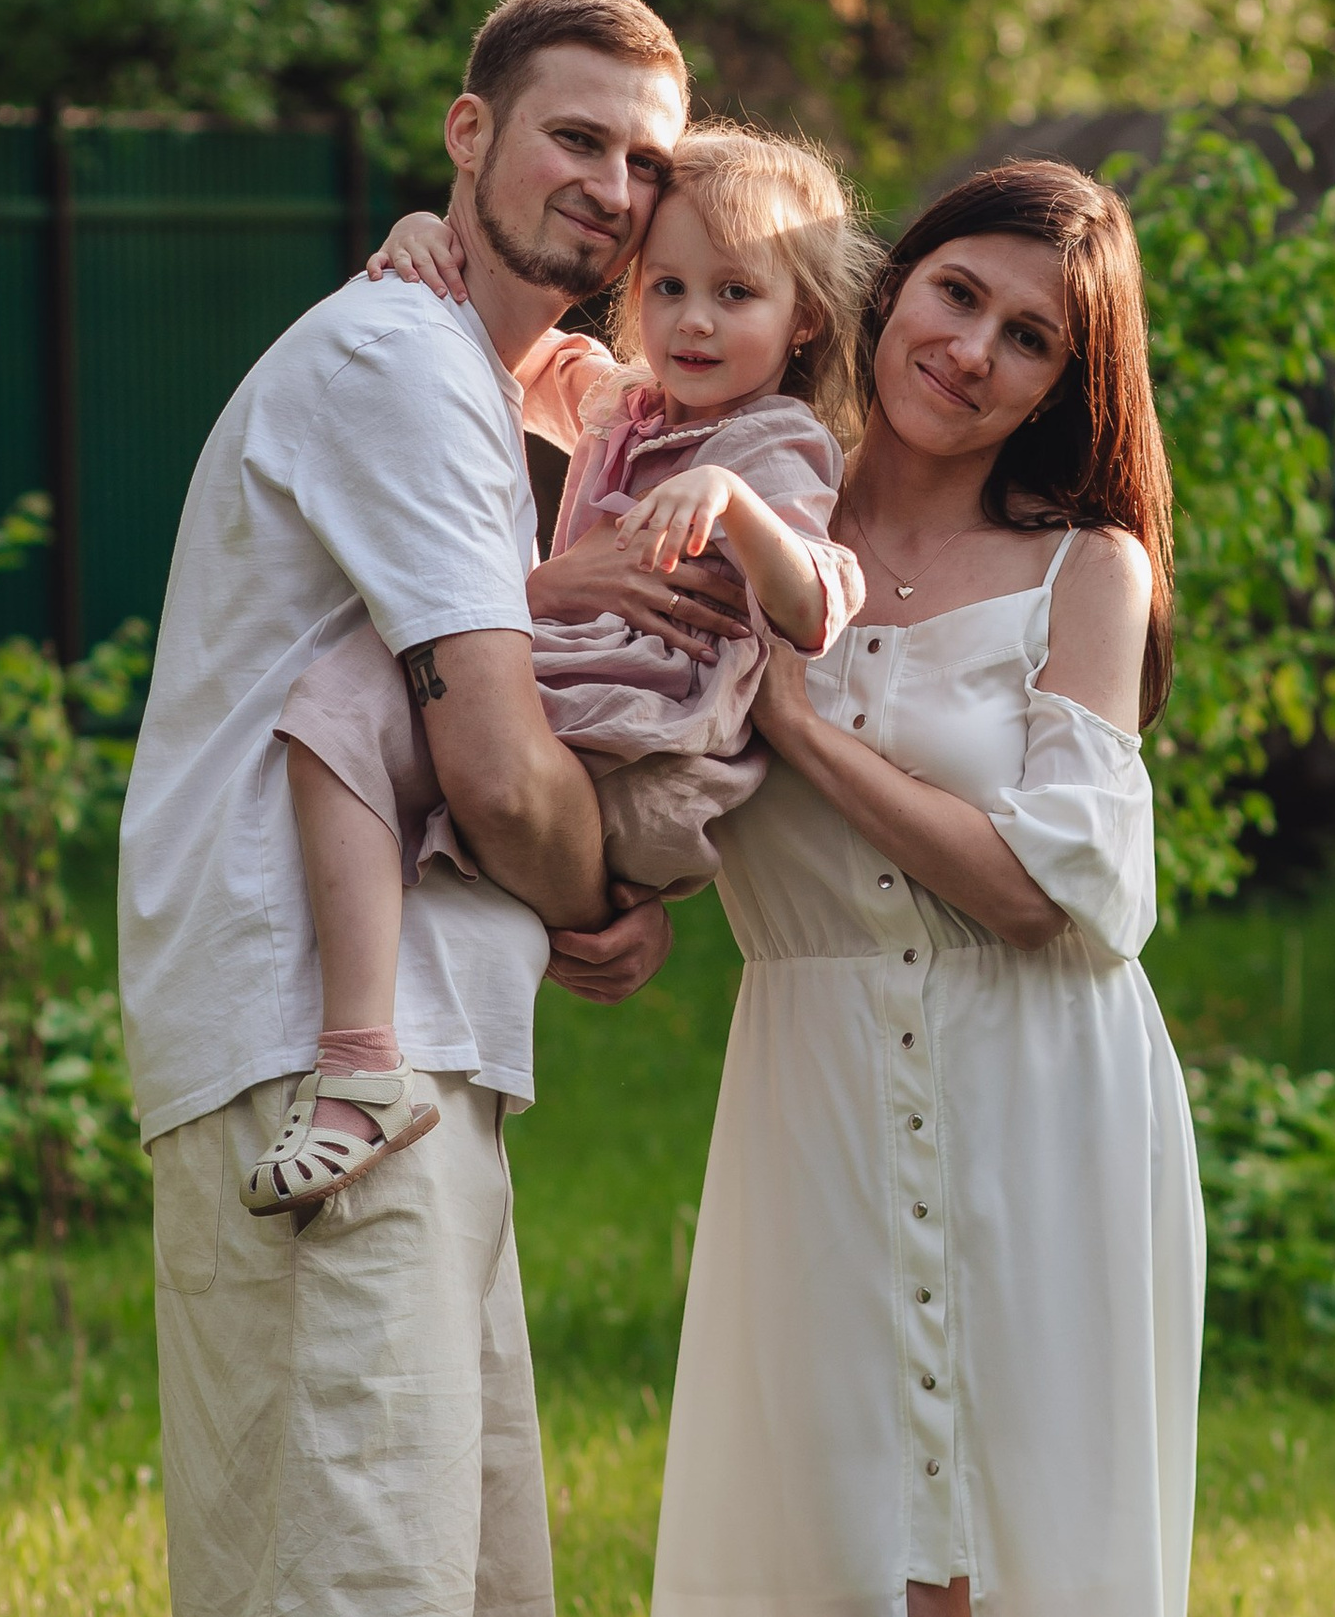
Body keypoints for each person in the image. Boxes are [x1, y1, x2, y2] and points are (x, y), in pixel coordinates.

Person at [117, 0, 710, 1617]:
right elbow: (484, 740)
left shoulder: (481, 375)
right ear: (471, 134)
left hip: (426, 1059)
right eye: (573, 142)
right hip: (306, 1055)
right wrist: (598, 882)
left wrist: (559, 873)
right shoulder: (385, 370)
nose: (612, 189)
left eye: (646, 163)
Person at [614, 160, 1205, 1617]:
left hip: (1043, 1100)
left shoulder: (1084, 574)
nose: (971, 349)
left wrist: (790, 717)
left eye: (1029, 334)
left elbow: (1048, 885)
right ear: (886, 288)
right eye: (956, 294)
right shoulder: (738, 503)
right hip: (821, 1113)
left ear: (1067, 376)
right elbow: (619, 750)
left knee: (1058, 1602)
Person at [249, 128, 874, 1218]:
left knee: (383, 710)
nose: (693, 320)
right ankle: (361, 1058)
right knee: (338, 703)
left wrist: (733, 507)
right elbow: (506, 347)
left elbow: (819, 600)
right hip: (558, 714)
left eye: (736, 292)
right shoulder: (624, 407)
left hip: (648, 750)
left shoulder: (775, 446)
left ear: (803, 316)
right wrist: (421, 244)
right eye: (668, 286)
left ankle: (380, 1045)